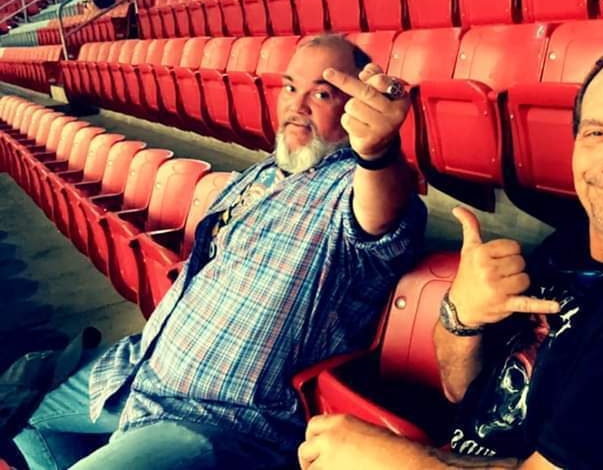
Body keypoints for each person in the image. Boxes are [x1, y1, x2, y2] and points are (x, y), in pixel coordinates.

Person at [297, 42, 603, 470]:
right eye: (596, 132)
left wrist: (388, 459)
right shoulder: (570, 245)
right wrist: (462, 317)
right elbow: (462, 391)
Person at [12, 35, 428, 470]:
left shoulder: (350, 185)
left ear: (355, 107)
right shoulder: (262, 174)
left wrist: (378, 153)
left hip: (220, 421)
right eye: (290, 88)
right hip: (143, 370)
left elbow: (382, 211)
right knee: (18, 411)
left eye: (322, 95)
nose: (297, 106)